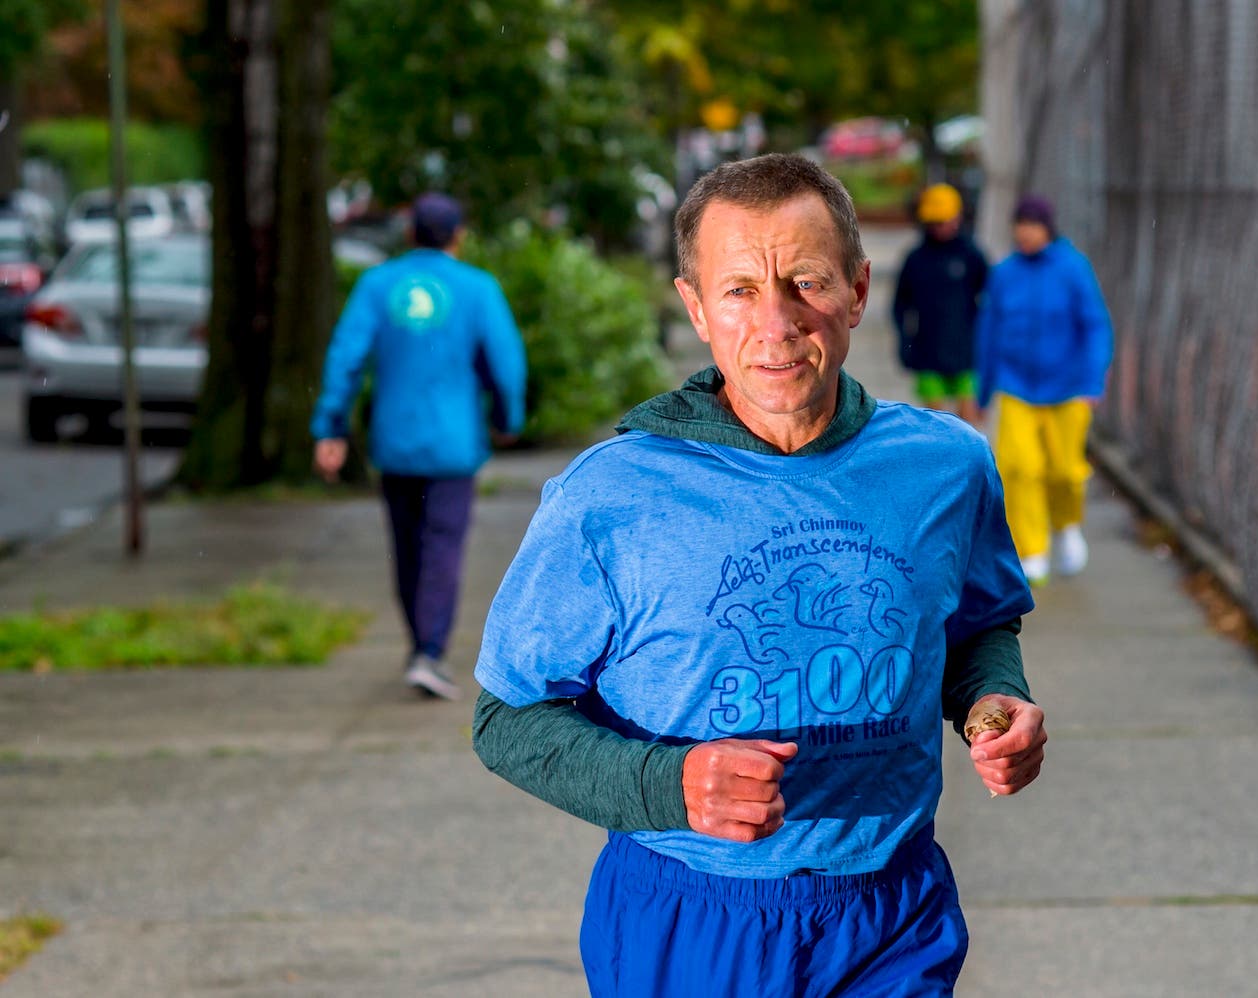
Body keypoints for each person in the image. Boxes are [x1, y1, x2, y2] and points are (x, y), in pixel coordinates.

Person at [471, 154, 1047, 997]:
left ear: (857, 289)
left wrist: (994, 703)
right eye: (739, 290)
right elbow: (504, 719)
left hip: (893, 910)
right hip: (692, 917)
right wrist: (669, 784)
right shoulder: (612, 496)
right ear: (696, 308)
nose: (775, 322)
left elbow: (979, 623)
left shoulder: (946, 466)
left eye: (806, 282)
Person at [310, 192, 527, 701]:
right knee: (443, 547)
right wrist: (506, 418)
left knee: (407, 547)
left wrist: (331, 428)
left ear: (409, 234)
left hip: (395, 441)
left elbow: (345, 357)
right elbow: (506, 363)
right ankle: (428, 652)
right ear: (459, 236)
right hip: (454, 445)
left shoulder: (377, 285)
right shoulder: (477, 288)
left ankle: (419, 645)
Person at [974, 195, 1112, 586]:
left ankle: (1066, 525)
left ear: (1047, 228)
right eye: (1020, 225)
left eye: (1032, 225)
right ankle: (1032, 549)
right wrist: (983, 391)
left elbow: (1095, 325)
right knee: (1020, 469)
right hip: (1017, 385)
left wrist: (1092, 379)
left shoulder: (1073, 269)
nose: (1025, 233)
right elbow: (988, 332)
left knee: (1065, 470)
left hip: (1069, 386)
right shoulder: (1004, 274)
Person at [891, 183, 989, 423]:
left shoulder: (971, 255)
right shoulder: (916, 259)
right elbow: (900, 304)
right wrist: (905, 341)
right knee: (936, 422)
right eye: (934, 222)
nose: (939, 228)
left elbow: (990, 300)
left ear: (958, 218)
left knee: (968, 425)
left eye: (943, 221)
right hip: (928, 353)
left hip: (967, 354)